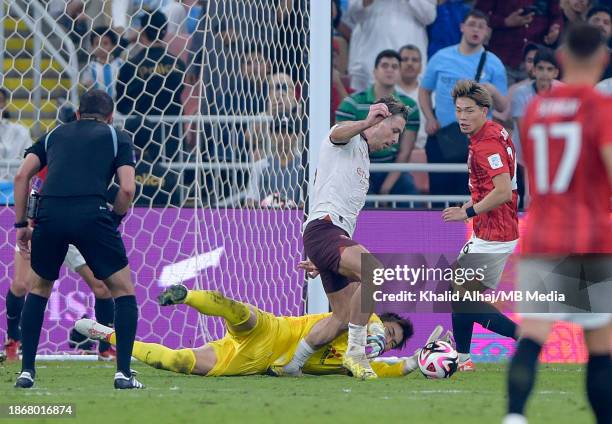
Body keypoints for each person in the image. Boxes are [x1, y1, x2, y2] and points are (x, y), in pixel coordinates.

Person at [504, 23, 612, 424]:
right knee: (600, 345)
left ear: (562, 58)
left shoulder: (536, 108)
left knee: (532, 335)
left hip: (543, 233)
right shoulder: (601, 107)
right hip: (589, 236)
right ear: (603, 58)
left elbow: (532, 167)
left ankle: (514, 417)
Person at [271, 98, 408, 380]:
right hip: (324, 230)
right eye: (395, 131)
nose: (395, 140)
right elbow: (337, 133)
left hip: (328, 239)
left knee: (342, 317)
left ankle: (292, 365)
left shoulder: (364, 159)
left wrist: (324, 259)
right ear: (380, 120)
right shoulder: (348, 138)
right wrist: (367, 122)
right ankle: (356, 353)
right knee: (374, 270)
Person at [12, 89, 141, 389]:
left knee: (39, 288)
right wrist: (115, 220)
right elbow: (127, 190)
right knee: (122, 291)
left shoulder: (54, 134)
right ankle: (122, 373)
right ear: (110, 116)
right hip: (91, 214)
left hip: (50, 214)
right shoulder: (116, 136)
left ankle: (27, 371)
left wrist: (21, 224)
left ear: (78, 114)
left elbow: (21, 176)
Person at [73, 284, 451, 378]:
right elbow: (365, 317)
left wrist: (421, 359)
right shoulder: (359, 324)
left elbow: (397, 368)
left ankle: (106, 333)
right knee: (238, 311)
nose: (388, 340)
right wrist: (373, 335)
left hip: (251, 362)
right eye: (389, 331)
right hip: (273, 331)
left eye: (393, 342)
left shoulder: (358, 362)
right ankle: (186, 295)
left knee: (175, 361)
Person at [441, 80, 519, 372]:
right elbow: (501, 184)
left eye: (469, 111)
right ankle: (463, 359)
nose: (462, 117)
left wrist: (469, 212)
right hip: (495, 228)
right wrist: (470, 202)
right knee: (460, 294)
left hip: (494, 232)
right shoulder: (496, 130)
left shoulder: (486, 144)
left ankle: (524, 337)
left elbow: (501, 191)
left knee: (459, 295)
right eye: (459, 110)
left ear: (483, 110)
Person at [419, 9, 509, 198]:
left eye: (481, 26)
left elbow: (503, 107)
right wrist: (429, 118)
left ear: (487, 32)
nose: (476, 30)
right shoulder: (441, 57)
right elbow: (424, 91)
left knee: (474, 197)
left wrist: (491, 90)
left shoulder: (494, 64)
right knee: (440, 196)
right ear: (462, 27)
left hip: (477, 141)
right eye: (472, 25)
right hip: (442, 137)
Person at [336, 49, 420, 200]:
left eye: (394, 67)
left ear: (400, 72)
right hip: (356, 165)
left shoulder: (410, 106)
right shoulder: (351, 103)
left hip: (392, 168)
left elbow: (405, 152)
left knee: (409, 196)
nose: (389, 70)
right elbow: (343, 141)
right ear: (374, 71)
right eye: (384, 65)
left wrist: (387, 186)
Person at [115, 10, 185, 162]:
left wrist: (126, 40)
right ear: (165, 31)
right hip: (173, 134)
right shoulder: (179, 64)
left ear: (142, 31)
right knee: (172, 180)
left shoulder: (130, 66)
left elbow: (121, 104)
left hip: (141, 136)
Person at [344, 0, 436, 92]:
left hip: (408, 59)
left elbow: (429, 16)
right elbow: (353, 15)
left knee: (407, 102)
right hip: (368, 59)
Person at [474, 0, 563, 84]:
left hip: (536, 60)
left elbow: (556, 16)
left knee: (532, 99)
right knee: (500, 97)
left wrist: (555, 29)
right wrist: (505, 22)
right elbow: (479, 15)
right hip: (503, 58)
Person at [245, 116, 304, 208]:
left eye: (289, 132)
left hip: (296, 220)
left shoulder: (303, 167)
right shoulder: (260, 167)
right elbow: (250, 201)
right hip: (266, 220)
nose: (283, 137)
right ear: (271, 136)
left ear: (296, 136)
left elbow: (304, 204)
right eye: (278, 132)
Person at [397, 44, 427, 149]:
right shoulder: (388, 91)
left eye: (414, 60)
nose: (410, 63)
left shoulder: (430, 93)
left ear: (421, 66)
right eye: (405, 59)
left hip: (426, 150)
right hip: (393, 151)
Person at [80, 26, 123, 99]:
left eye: (105, 43)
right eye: (97, 44)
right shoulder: (91, 67)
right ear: (92, 47)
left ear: (113, 46)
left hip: (120, 104)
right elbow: (87, 85)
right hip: (99, 105)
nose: (100, 47)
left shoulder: (120, 64)